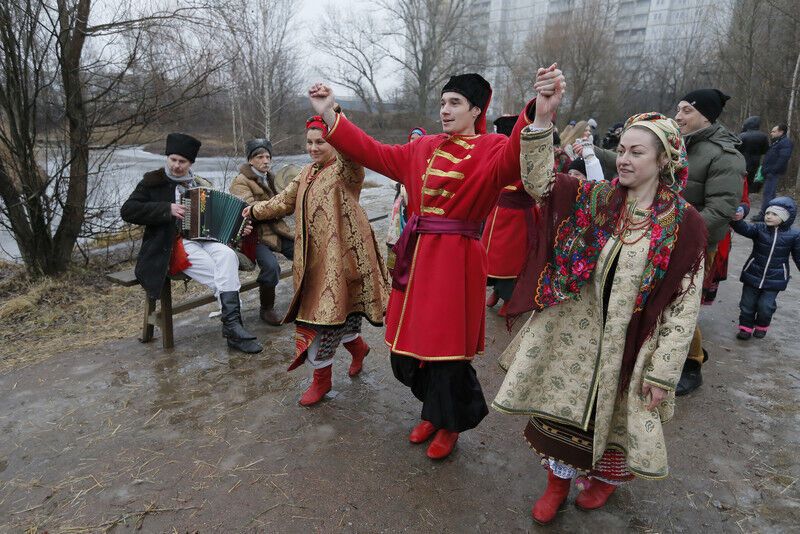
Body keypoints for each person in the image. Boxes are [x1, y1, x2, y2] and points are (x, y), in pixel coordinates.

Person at [306, 67, 556, 459]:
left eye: (455, 103)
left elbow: (515, 156)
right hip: (417, 259)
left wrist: (539, 113)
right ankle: (434, 409)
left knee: (447, 354)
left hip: (457, 263)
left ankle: (448, 422)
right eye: (442, 102)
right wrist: (329, 111)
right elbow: (372, 151)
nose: (445, 110)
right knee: (406, 354)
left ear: (477, 110)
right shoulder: (421, 148)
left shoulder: (492, 147)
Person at [494, 91, 707, 524]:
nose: (623, 159)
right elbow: (540, 184)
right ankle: (557, 485)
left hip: (632, 348)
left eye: (636, 152)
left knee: (614, 426)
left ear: (663, 160)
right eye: (622, 150)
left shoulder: (684, 225)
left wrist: (663, 373)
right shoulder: (594, 198)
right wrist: (542, 121)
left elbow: (684, 306)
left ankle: (605, 481)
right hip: (574, 336)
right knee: (561, 419)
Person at [243, 114, 388, 406]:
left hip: (344, 258)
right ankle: (358, 348)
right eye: (309, 142)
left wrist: (332, 113)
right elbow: (283, 201)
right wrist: (254, 211)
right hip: (313, 260)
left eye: (320, 142)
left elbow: (352, 149)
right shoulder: (307, 171)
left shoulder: (347, 169)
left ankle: (322, 380)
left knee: (327, 318)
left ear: (334, 141)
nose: (313, 148)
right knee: (336, 316)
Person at [121, 133, 262, 353]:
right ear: (167, 157)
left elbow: (220, 220)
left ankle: (232, 328)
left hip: (203, 238)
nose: (176, 165)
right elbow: (128, 211)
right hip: (169, 245)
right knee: (220, 274)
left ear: (191, 163)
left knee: (228, 256)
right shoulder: (152, 182)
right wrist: (166, 209)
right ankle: (234, 328)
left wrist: (239, 228)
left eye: (182, 161)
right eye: (173, 159)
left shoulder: (199, 184)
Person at [230, 139, 295, 325]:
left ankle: (306, 295)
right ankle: (266, 308)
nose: (265, 161)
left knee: (305, 253)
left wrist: (287, 205)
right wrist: (279, 207)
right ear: (250, 160)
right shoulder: (240, 182)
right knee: (271, 266)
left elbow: (287, 205)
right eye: (260, 157)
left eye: (268, 157)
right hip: (253, 236)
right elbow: (250, 210)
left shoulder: (273, 178)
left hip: (277, 231)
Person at [483, 115, 540, 316]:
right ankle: (497, 291)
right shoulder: (497, 152)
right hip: (497, 212)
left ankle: (511, 298)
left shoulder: (527, 154)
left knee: (511, 261)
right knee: (492, 258)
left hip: (517, 217)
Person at [731, 196, 800, 339]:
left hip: (776, 278)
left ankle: (761, 325)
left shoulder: (794, 235)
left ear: (785, 217)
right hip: (753, 273)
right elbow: (745, 229)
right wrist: (736, 221)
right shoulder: (759, 228)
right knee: (747, 303)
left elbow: (798, 255)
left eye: (774, 214)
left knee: (766, 306)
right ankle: (745, 328)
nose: (768, 216)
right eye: (767, 213)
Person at [753, 124, 794, 221]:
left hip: (772, 173)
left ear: (781, 132)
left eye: (774, 131)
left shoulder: (785, 142)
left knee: (768, 194)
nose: (771, 133)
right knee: (770, 195)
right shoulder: (777, 142)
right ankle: (771, 214)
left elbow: (783, 158)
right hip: (769, 172)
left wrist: (772, 170)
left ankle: (763, 215)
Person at [738, 116, 769, 190]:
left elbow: (736, 148)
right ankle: (746, 194)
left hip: (742, 161)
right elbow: (765, 150)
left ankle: (739, 194)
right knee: (749, 181)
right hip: (755, 162)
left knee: (740, 180)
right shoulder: (763, 136)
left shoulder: (742, 135)